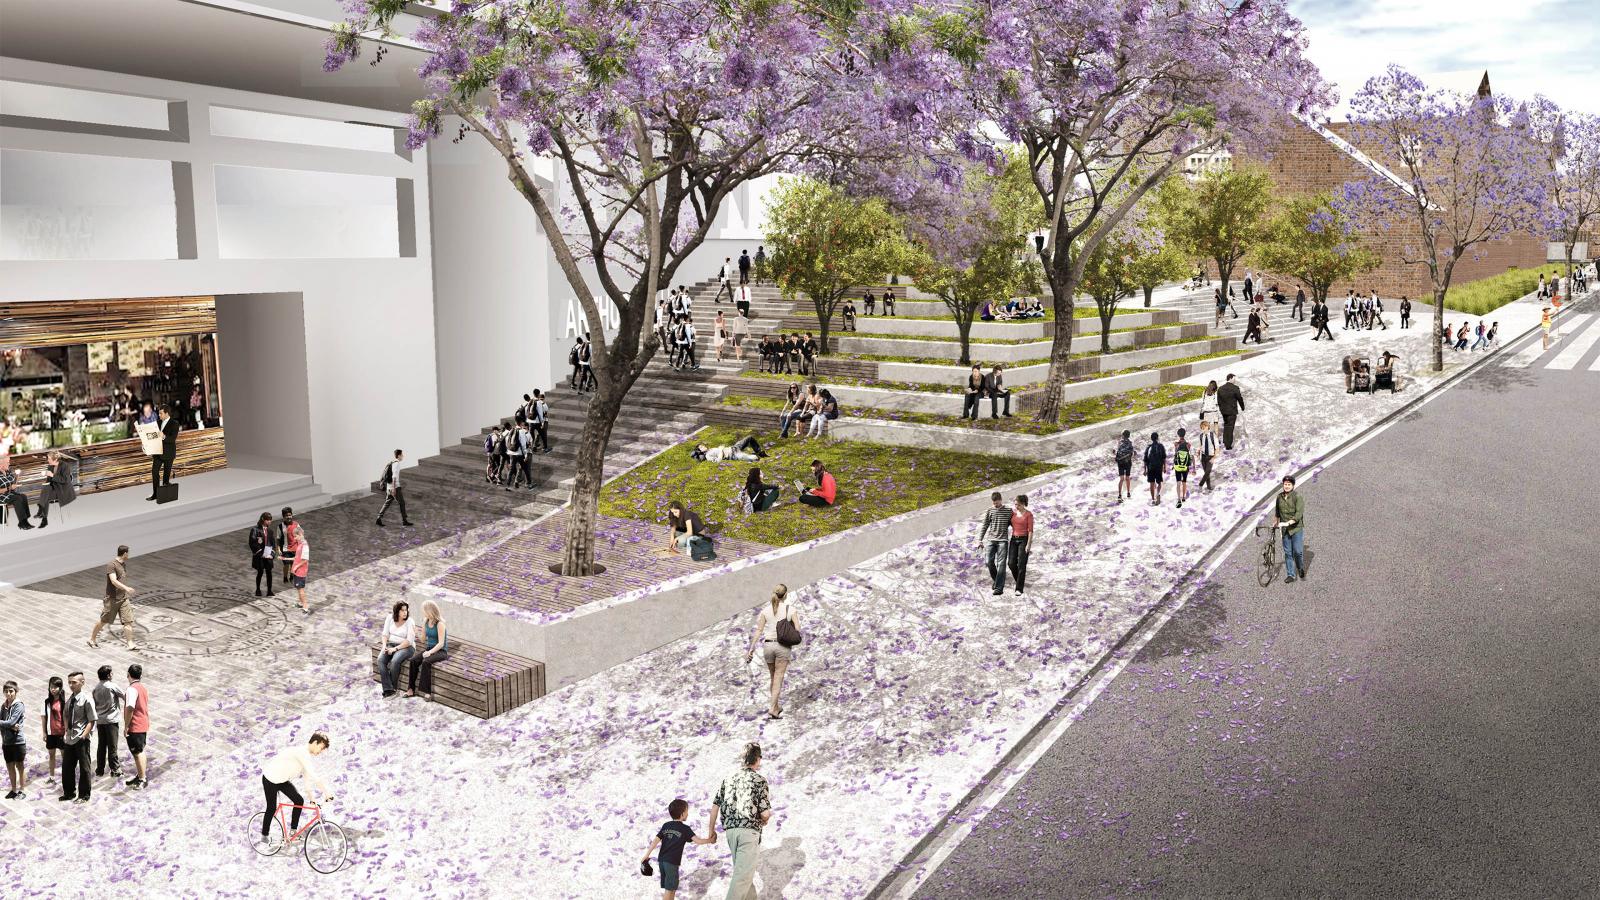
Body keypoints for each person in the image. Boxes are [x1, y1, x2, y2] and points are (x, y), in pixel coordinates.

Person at [709, 743, 772, 900]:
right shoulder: (759, 780)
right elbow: (765, 812)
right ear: (757, 758)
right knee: (742, 878)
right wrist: (765, 820)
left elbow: (715, 806)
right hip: (748, 833)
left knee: (744, 876)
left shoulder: (728, 779)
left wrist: (711, 831)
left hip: (731, 833)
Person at [259, 733, 334, 848]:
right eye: (321, 748)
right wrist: (326, 793)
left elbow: (307, 779)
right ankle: (264, 834)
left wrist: (311, 798)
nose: (321, 751)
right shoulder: (301, 752)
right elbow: (314, 775)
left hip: (282, 780)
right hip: (270, 779)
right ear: (315, 743)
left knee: (298, 800)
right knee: (271, 808)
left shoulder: (306, 757)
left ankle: (293, 831)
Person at [643, 797, 719, 900]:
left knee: (672, 889)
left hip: (662, 861)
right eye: (687, 811)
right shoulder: (685, 829)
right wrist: (711, 840)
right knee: (669, 891)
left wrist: (646, 855)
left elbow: (655, 841)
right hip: (671, 863)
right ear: (682, 814)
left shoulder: (666, 825)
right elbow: (698, 841)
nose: (688, 814)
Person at [745, 584, 800, 719]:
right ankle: (772, 708)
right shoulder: (790, 609)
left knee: (773, 677)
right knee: (779, 678)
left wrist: (751, 649)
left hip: (768, 646)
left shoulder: (765, 611)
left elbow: (759, 630)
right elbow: (797, 628)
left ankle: (776, 706)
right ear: (785, 595)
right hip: (782, 647)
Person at [89, 545, 137, 651]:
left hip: (124, 598)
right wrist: (126, 588)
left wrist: (125, 591)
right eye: (128, 553)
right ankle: (92, 639)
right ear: (124, 553)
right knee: (103, 621)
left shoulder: (123, 564)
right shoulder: (112, 565)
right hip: (112, 599)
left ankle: (130, 643)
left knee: (128, 621)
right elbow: (113, 581)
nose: (129, 555)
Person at [60, 671, 96, 803]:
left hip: (81, 739)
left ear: (82, 683)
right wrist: (66, 731)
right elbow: (65, 715)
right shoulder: (70, 699)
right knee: (67, 767)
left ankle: (84, 795)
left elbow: (92, 720)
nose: (71, 685)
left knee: (84, 768)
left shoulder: (86, 699)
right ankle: (69, 793)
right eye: (69, 682)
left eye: (74, 682)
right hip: (70, 738)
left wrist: (84, 735)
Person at [406, 600, 449, 701]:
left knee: (426, 662)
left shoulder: (440, 624)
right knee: (413, 661)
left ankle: (427, 693)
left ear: (430, 611)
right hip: (429, 649)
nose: (422, 612)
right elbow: (422, 639)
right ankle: (411, 689)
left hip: (441, 651)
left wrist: (430, 652)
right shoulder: (425, 621)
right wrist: (417, 632)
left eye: (424, 610)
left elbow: (441, 643)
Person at [91, 664, 126, 781]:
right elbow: (125, 697)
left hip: (100, 721)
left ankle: (100, 769)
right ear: (108, 675)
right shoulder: (112, 686)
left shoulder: (95, 688)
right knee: (112, 746)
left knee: (101, 745)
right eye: (111, 673)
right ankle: (115, 769)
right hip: (111, 720)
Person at [377, 601, 416, 698]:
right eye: (402, 610)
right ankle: (388, 689)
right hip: (390, 644)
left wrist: (395, 649)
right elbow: (385, 634)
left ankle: (393, 688)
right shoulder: (390, 618)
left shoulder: (410, 621)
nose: (405, 612)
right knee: (380, 660)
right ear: (396, 611)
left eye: (406, 610)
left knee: (395, 661)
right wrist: (384, 646)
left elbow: (409, 641)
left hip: (406, 647)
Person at [1274, 475, 1307, 583]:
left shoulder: (1298, 497)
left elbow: (1298, 515)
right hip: (1285, 530)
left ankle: (1300, 567)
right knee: (1288, 553)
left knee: (1297, 552)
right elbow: (1277, 512)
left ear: (1293, 485)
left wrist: (1287, 523)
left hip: (1296, 528)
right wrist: (1276, 523)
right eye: (1285, 484)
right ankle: (1290, 575)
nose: (1287, 486)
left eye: (1289, 484)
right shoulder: (1279, 497)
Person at [122, 664, 150, 789]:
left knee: (138, 752)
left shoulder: (131, 689)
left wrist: (126, 725)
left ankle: (142, 779)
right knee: (139, 751)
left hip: (135, 725)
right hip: (143, 722)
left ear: (128, 674)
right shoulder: (142, 688)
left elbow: (130, 708)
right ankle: (140, 776)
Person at [979, 492, 1012, 596]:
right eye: (994, 503)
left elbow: (1016, 525)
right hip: (991, 540)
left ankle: (999, 588)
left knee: (1001, 564)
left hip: (1003, 541)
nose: (995, 505)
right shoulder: (990, 510)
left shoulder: (1008, 511)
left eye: (997, 503)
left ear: (1001, 500)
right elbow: (985, 525)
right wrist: (980, 539)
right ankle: (997, 580)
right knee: (989, 561)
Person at [34, 450, 75, 529]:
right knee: (45, 490)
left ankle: (42, 515)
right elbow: (49, 480)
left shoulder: (65, 466)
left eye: (49, 459)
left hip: (63, 490)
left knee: (45, 494)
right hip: (54, 489)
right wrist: (46, 481)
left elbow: (65, 480)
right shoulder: (50, 466)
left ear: (55, 459)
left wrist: (52, 475)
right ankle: (44, 518)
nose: (48, 460)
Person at [146, 405, 179, 501]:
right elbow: (152, 437)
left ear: (167, 413)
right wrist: (147, 445)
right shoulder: (157, 422)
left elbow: (172, 439)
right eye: (159, 413)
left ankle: (164, 496)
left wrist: (163, 436)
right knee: (154, 472)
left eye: (161, 413)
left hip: (169, 453)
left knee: (166, 477)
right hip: (158, 453)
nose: (159, 415)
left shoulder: (174, 423)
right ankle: (155, 494)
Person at [2, 681, 26, 800]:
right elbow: (9, 723)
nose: (8, 693)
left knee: (19, 766)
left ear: (16, 691)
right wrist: (10, 725)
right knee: (10, 766)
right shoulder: (3, 706)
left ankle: (22, 790)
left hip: (18, 742)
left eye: (11, 691)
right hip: (6, 742)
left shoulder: (19, 705)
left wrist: (9, 724)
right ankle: (13, 789)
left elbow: (11, 721)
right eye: (6, 691)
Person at [376, 449, 413, 527]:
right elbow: (394, 477)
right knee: (402, 503)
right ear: (399, 455)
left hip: (388, 488)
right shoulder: (397, 464)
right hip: (395, 487)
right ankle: (404, 521)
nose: (403, 456)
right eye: (402, 455)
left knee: (387, 503)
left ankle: (379, 518)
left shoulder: (392, 462)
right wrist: (394, 488)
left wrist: (390, 488)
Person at [1007, 494, 1034, 595]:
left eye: (1018, 505)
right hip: (1014, 540)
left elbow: (1030, 531)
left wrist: (1028, 545)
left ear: (1023, 504)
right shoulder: (1013, 514)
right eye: (1015, 504)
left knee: (1022, 565)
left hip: (1024, 540)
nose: (1016, 506)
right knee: (1011, 563)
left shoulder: (1028, 515)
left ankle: (1019, 588)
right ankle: (1020, 580)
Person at [41, 676, 65, 786]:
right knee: (51, 755)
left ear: (60, 688)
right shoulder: (46, 702)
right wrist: (44, 732)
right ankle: (51, 776)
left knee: (65, 756)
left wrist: (67, 733)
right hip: (51, 734)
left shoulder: (64, 702)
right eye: (51, 687)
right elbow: (43, 718)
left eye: (55, 687)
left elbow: (67, 718)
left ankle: (66, 775)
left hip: (61, 733)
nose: (53, 689)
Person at [0, 454, 34, 530]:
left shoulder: (7, 471)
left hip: (9, 493)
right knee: (17, 498)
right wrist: (9, 487)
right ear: (1, 464)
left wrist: (16, 477)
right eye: (7, 462)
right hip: (2, 496)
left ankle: (25, 520)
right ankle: (22, 523)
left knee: (23, 496)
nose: (9, 463)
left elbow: (12, 481)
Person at [248, 511, 276, 597]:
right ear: (263, 519)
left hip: (268, 556)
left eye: (270, 520)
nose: (269, 522)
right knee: (260, 572)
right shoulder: (255, 530)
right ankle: (258, 589)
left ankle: (269, 590)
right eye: (268, 520)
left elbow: (273, 544)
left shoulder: (270, 531)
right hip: (260, 556)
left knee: (269, 573)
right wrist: (260, 552)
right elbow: (252, 542)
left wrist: (272, 554)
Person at [287, 524, 311, 615]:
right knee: (298, 588)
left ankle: (305, 607)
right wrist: (286, 559)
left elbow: (305, 560)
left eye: (296, 536)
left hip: (300, 571)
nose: (295, 538)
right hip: (297, 571)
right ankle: (301, 603)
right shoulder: (301, 544)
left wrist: (296, 567)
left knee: (301, 589)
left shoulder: (304, 545)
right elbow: (297, 557)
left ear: (300, 534)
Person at [1216, 374, 1244, 451]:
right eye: (1234, 379)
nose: (1235, 380)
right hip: (1232, 411)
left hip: (1224, 411)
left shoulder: (1220, 389)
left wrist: (1222, 409)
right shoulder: (1235, 388)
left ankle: (1225, 441)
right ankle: (1228, 445)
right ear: (1230, 378)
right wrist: (1242, 407)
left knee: (1226, 425)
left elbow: (1219, 401)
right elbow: (1239, 398)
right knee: (1230, 427)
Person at [692, 436, 766, 463]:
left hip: (734, 448)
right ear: (700, 451)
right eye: (701, 447)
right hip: (733, 455)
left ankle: (759, 451)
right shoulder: (708, 456)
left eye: (702, 445)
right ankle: (758, 457)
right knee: (754, 458)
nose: (703, 446)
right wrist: (721, 449)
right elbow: (718, 461)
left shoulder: (710, 449)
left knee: (749, 438)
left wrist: (721, 448)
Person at [1143, 432, 1167, 506]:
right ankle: (1158, 493)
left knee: (1151, 483)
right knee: (1159, 482)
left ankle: (1153, 499)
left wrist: (1145, 470)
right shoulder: (1161, 446)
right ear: (1157, 438)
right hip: (1158, 467)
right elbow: (1164, 458)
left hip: (1150, 467)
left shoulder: (1148, 447)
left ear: (1151, 438)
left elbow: (1145, 460)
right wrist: (1164, 467)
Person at [1172, 429, 1192, 508]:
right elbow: (1188, 453)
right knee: (1184, 482)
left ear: (1178, 435)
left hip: (1177, 465)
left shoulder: (1176, 444)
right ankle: (1183, 497)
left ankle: (1179, 499)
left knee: (1178, 483)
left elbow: (1175, 454)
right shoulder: (1188, 444)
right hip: (1185, 466)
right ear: (1184, 434)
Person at [1197, 419, 1218, 493]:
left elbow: (1217, 447)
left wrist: (1214, 457)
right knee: (1206, 473)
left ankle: (1200, 484)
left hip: (1210, 456)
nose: (1203, 429)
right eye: (1202, 428)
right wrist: (1198, 452)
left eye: (1204, 427)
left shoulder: (1212, 435)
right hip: (1203, 456)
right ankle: (1209, 487)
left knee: (1208, 471)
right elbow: (1200, 445)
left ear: (1207, 427)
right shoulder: (1201, 436)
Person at [1114, 429, 1135, 502]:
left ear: (1123, 435)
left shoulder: (1119, 443)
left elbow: (1117, 453)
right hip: (1128, 463)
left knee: (1121, 479)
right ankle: (1128, 493)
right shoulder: (1130, 443)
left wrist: (1115, 454)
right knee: (1127, 478)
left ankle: (1119, 495)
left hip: (1120, 463)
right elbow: (1132, 453)